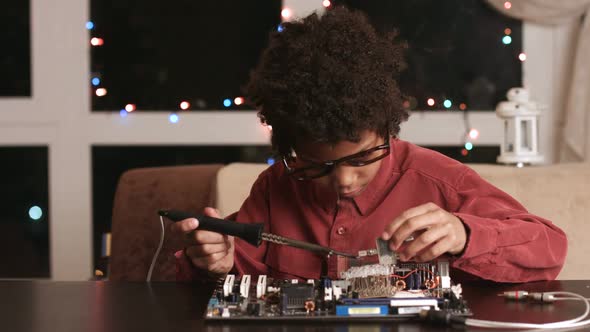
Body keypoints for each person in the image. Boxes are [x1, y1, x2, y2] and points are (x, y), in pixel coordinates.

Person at [172, 7, 566, 283]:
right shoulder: (276, 186)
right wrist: (214, 261)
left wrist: (465, 234)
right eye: (318, 165)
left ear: (386, 127)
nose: (343, 180)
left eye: (362, 157)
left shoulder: (440, 180)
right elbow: (233, 273)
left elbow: (550, 249)